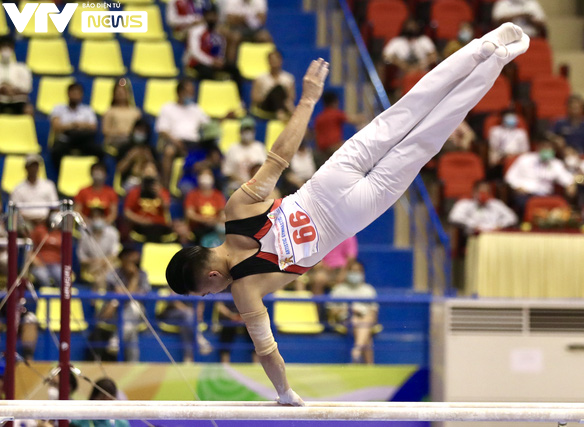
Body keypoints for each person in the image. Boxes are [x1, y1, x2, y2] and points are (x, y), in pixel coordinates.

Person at [166, 24, 530, 405]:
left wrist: (286, 393)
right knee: (408, 110)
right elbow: (279, 157)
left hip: (352, 215)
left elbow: (267, 352)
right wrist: (307, 100)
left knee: (428, 137)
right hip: (328, 180)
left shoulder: (245, 291)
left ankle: (496, 62)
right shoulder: (236, 209)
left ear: (210, 275)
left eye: (204, 293)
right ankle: (480, 49)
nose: (210, 296)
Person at [155, 79, 210, 187]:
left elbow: (209, 125)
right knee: (168, 151)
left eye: (192, 92)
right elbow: (162, 130)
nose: (191, 95)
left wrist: (224, 118)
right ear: (179, 92)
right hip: (174, 142)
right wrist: (175, 141)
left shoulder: (196, 109)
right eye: (188, 92)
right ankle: (165, 186)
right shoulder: (167, 108)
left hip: (193, 144)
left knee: (212, 154)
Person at [99, 248, 151, 361]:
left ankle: (116, 339)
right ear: (122, 259)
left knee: (134, 306)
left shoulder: (142, 274)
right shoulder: (113, 274)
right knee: (131, 330)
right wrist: (133, 281)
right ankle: (132, 364)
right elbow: (122, 295)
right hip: (115, 313)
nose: (132, 264)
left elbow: (139, 295)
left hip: (137, 314)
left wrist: (135, 276)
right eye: (129, 260)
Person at [327, 261, 379, 364]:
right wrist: (349, 309)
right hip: (345, 319)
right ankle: (369, 365)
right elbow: (331, 311)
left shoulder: (369, 290)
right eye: (352, 271)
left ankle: (357, 350)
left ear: (362, 273)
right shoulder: (339, 289)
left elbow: (373, 313)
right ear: (347, 272)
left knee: (363, 321)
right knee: (360, 325)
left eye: (357, 271)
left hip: (364, 319)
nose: (355, 274)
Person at [505, 140, 576, 214]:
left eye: (549, 148)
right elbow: (509, 177)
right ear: (538, 148)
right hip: (526, 194)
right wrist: (517, 187)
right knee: (524, 204)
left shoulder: (555, 164)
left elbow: (567, 179)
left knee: (561, 205)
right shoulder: (525, 159)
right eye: (544, 147)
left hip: (546, 195)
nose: (546, 150)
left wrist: (570, 185)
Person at [186, 4, 243, 91]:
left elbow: (221, 49)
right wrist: (211, 61)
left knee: (234, 70)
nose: (212, 18)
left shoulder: (219, 32)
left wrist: (220, 60)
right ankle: (210, 96)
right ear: (205, 16)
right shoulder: (196, 31)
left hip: (216, 62)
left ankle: (239, 99)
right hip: (198, 63)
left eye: (214, 15)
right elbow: (194, 52)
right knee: (206, 72)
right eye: (209, 15)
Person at [50, 82, 102, 172]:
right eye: (73, 93)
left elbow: (93, 127)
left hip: (83, 140)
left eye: (78, 93)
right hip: (66, 140)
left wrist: (74, 125)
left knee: (100, 152)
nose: (75, 96)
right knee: (56, 151)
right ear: (68, 94)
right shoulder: (58, 108)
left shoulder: (87, 110)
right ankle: (61, 173)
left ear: (81, 95)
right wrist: (74, 125)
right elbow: (56, 127)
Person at [123, 161, 175, 243]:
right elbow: (127, 212)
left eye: (152, 169)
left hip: (159, 225)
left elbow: (166, 208)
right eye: (146, 169)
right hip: (141, 225)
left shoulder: (163, 192)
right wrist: (141, 220)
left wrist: (159, 194)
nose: (149, 171)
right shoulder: (134, 191)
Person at [157, 292, 212, 362]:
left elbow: (200, 302)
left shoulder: (193, 285)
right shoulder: (175, 283)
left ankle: (188, 358)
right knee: (187, 316)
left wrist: (197, 314)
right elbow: (175, 302)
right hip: (171, 315)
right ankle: (199, 338)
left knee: (185, 324)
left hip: (187, 319)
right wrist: (190, 312)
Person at [448, 181, 518, 234]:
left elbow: (512, 217)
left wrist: (499, 225)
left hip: (494, 235)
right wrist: (473, 225)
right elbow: (454, 217)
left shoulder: (496, 204)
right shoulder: (464, 204)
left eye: (487, 192)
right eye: (481, 192)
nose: (484, 195)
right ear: (474, 192)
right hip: (473, 236)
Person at [314, 92, 363, 164]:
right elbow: (353, 120)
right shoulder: (336, 114)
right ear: (335, 102)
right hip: (334, 148)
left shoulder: (319, 118)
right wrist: (363, 117)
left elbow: (316, 135)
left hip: (322, 151)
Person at [77, 208, 120, 292]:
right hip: (92, 265)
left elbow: (114, 254)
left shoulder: (112, 232)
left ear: (104, 218)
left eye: (99, 217)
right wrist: (96, 262)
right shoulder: (84, 234)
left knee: (103, 274)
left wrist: (102, 262)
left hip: (108, 264)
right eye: (94, 217)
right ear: (90, 219)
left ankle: (98, 297)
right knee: (101, 273)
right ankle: (104, 298)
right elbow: (81, 258)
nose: (97, 219)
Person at [221, 116, 266, 191]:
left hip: (256, 186)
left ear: (254, 132)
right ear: (240, 132)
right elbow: (227, 171)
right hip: (237, 186)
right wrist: (244, 182)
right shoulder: (232, 148)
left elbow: (264, 169)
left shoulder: (259, 148)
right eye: (245, 130)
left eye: (250, 130)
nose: (247, 133)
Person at [10, 154, 58, 224]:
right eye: (31, 166)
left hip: (46, 222)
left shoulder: (49, 185)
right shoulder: (18, 189)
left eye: (36, 166)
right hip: (25, 222)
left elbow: (55, 207)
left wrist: (46, 220)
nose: (34, 168)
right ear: (26, 167)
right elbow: (15, 211)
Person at [185, 169, 227, 244]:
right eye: (202, 175)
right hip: (198, 227)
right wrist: (204, 220)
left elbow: (222, 213)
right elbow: (190, 214)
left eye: (208, 175)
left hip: (214, 226)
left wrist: (215, 220)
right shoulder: (192, 194)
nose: (205, 177)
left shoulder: (218, 195)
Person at [251, 50, 296, 120]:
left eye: (276, 59)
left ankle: (281, 113)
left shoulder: (288, 78)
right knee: (277, 89)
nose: (274, 62)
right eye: (272, 60)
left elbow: (291, 97)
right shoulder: (260, 78)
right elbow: (255, 98)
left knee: (280, 89)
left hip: (283, 104)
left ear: (281, 61)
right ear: (268, 61)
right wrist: (270, 95)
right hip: (266, 105)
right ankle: (292, 114)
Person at [115, 119, 156, 192]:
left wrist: (149, 158)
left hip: (147, 183)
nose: (141, 133)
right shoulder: (124, 148)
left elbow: (156, 172)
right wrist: (130, 157)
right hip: (128, 182)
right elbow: (119, 170)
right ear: (133, 130)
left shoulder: (151, 150)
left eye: (144, 131)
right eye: (139, 130)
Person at [102, 81, 142, 154]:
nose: (121, 94)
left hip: (131, 140)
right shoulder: (109, 111)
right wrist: (121, 133)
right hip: (115, 140)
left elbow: (140, 129)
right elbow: (106, 131)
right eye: (118, 92)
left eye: (123, 91)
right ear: (114, 94)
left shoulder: (136, 112)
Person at [0, 35, 32, 115]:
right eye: (3, 46)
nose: (6, 49)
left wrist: (11, 88)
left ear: (13, 48)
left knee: (29, 110)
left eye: (9, 46)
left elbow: (27, 87)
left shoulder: (22, 67)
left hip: (18, 101)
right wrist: (2, 87)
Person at [30, 211, 63, 288]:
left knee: (61, 276)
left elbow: (66, 254)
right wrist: (35, 261)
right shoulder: (39, 230)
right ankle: (46, 298)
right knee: (43, 277)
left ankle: (60, 298)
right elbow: (29, 249)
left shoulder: (62, 234)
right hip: (40, 264)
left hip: (56, 265)